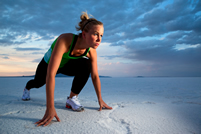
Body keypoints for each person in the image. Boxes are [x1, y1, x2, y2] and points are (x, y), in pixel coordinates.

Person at [22, 12, 112, 126]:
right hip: (48, 64)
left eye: (101, 35)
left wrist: (100, 99)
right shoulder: (65, 40)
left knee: (86, 64)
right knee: (38, 82)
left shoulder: (91, 51)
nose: (99, 39)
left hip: (66, 66)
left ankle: (72, 98)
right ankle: (27, 87)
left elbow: (94, 76)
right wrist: (50, 108)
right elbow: (51, 74)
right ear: (84, 34)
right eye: (95, 34)